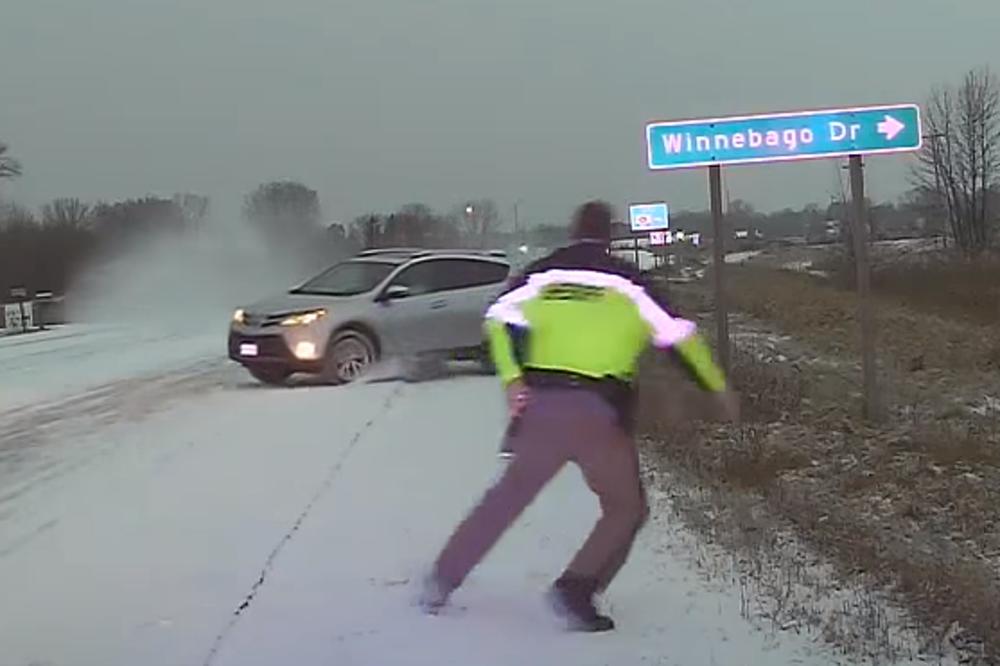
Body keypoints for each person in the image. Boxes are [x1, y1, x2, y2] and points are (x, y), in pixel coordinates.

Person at [419, 200, 738, 631]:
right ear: (610, 234)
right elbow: (681, 339)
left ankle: (441, 579)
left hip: (541, 407)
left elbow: (495, 318)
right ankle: (576, 590)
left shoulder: (541, 273)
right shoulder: (632, 282)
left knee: (507, 498)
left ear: (573, 231)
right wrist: (715, 388)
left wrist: (512, 377)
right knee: (626, 508)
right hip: (596, 411)